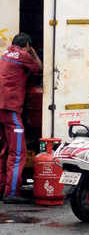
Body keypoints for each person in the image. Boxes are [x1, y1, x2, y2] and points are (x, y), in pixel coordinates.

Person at [0, 33, 42, 204]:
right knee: (18, 152)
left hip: (1, 108)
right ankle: (11, 193)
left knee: (3, 150)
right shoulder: (24, 55)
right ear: (26, 45)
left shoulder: (4, 54)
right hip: (11, 109)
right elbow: (39, 68)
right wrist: (32, 52)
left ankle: (2, 187)